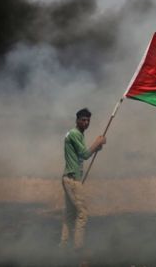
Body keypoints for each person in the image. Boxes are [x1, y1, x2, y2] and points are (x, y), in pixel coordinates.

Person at [60, 107, 106, 251]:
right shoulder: (74, 134)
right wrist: (97, 142)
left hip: (71, 178)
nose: (86, 123)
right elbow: (85, 154)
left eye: (88, 120)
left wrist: (99, 146)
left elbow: (81, 155)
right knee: (82, 214)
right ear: (77, 120)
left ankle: (64, 246)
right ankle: (78, 248)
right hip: (72, 179)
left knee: (70, 214)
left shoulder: (77, 134)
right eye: (83, 120)